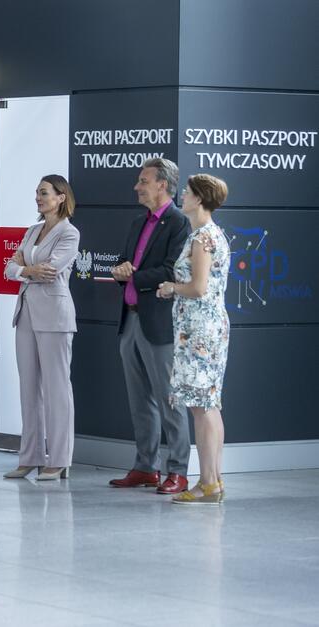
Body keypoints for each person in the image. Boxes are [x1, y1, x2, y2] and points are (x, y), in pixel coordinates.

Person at [109, 158, 191, 494]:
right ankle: (146, 467)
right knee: (139, 399)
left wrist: (133, 275)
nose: (136, 186)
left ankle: (179, 471)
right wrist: (119, 271)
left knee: (170, 399)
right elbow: (124, 263)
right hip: (131, 319)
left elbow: (174, 271)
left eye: (143, 180)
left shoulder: (179, 223)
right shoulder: (137, 223)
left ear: (162, 185)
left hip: (159, 324)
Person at [157, 174, 231, 505]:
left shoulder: (202, 238)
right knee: (209, 405)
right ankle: (213, 480)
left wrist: (172, 287)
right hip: (206, 328)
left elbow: (198, 287)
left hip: (200, 330)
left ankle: (208, 482)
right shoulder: (213, 235)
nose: (181, 197)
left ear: (199, 199)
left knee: (202, 408)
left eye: (186, 193)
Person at [3, 175, 80, 481]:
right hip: (26, 314)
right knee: (28, 388)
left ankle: (59, 458)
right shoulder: (33, 230)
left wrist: (25, 268)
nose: (38, 197)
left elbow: (52, 271)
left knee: (57, 389)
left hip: (55, 315)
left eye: (44, 192)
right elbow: (9, 268)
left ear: (61, 197)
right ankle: (30, 456)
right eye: (37, 192)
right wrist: (27, 269)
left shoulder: (69, 233)